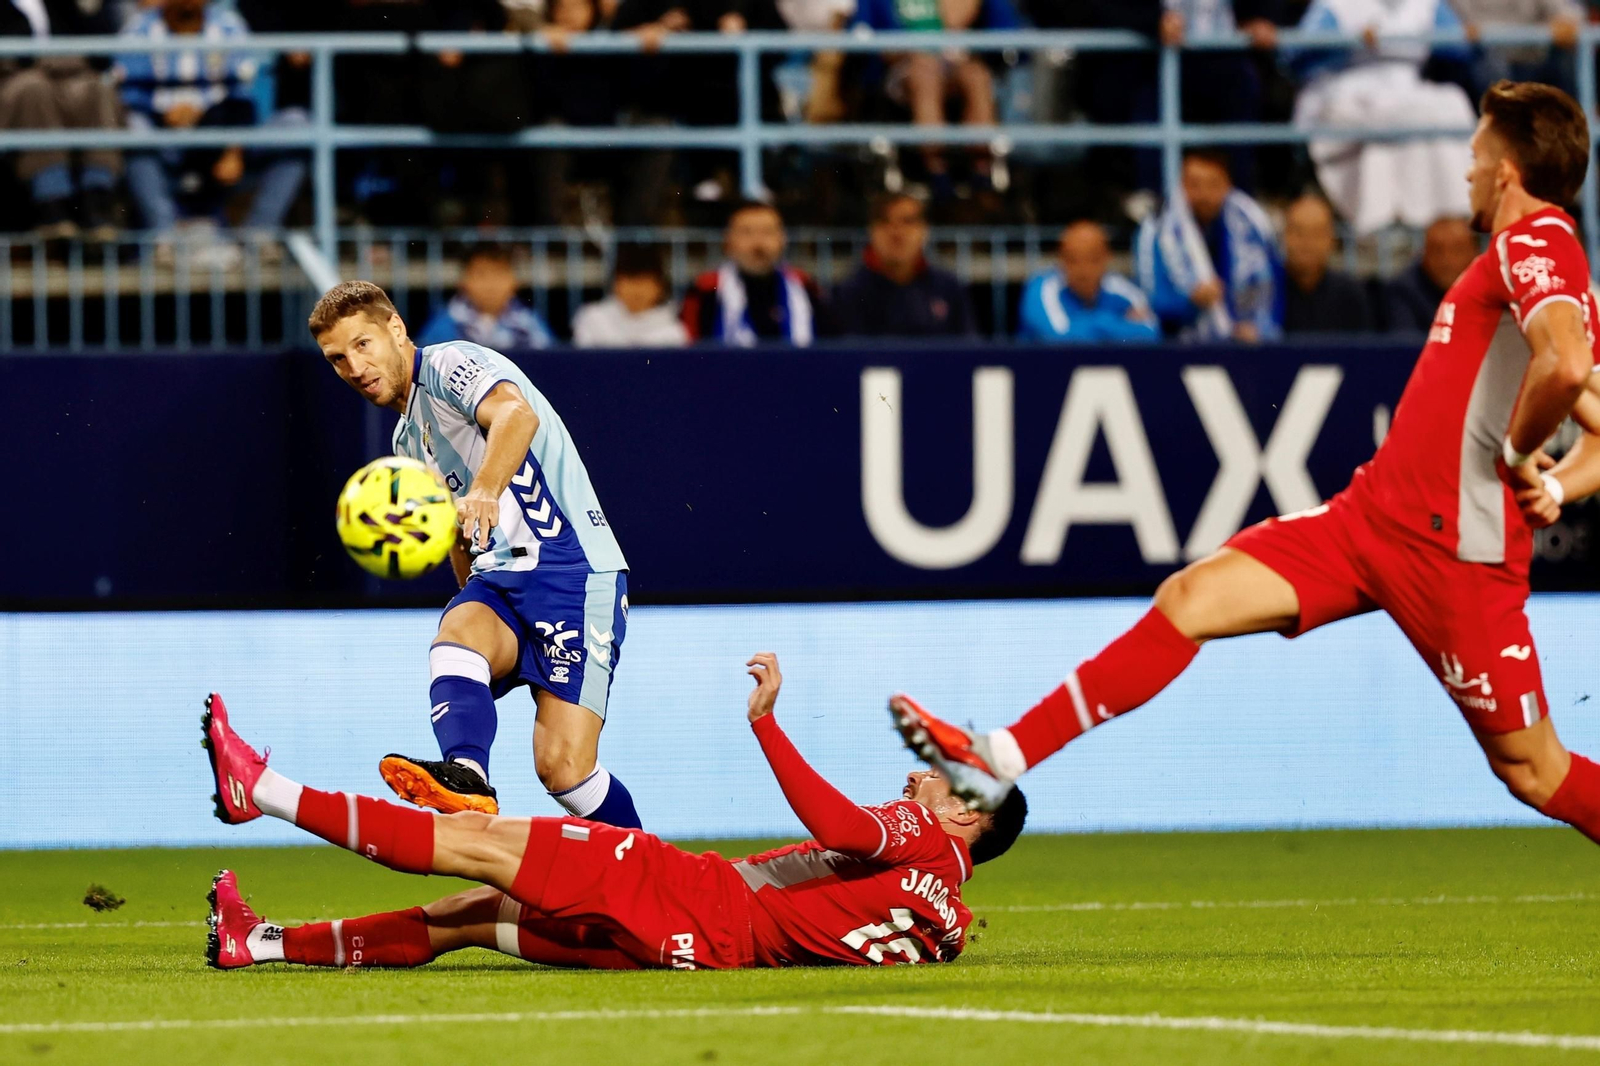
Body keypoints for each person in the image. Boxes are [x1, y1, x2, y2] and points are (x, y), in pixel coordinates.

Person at [893, 82, 1600, 853]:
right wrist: (1558, 482)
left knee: (1534, 773)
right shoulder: (1524, 263)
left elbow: (1564, 368)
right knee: (1190, 598)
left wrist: (1525, 456)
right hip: (1369, 522)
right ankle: (997, 758)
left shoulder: (1539, 242)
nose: (1466, 169)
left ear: (1505, 169)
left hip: (1453, 553)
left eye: (1475, 153)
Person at [200, 653, 1028, 971]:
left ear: (968, 816)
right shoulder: (946, 914)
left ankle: (262, 792)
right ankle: (260, 943)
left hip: (688, 897)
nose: (922, 777)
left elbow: (846, 830)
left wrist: (768, 725)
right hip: (696, 951)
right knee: (468, 919)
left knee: (475, 840)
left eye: (945, 777)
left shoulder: (920, 834)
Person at [308, 280, 639, 828]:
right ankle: (466, 777)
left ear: (396, 329)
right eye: (337, 359)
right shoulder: (406, 441)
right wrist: (463, 574)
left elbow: (516, 415)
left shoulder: (449, 363)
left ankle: (658, 885)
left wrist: (484, 487)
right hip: (499, 578)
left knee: (564, 770)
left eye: (362, 344)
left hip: (570, 567)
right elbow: (459, 536)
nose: (353, 367)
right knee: (458, 631)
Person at [116, 0, 307, 249]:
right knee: (133, 127)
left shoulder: (229, 27)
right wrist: (162, 111)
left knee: (297, 125)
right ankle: (165, 241)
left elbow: (244, 96)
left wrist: (234, 147)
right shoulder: (139, 29)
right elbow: (126, 93)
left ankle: (258, 237)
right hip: (164, 143)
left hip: (223, 138)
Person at [1286, 0, 1475, 235]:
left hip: (1408, 88)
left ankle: (1452, 214)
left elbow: (1459, 46)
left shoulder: (1426, 4)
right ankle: (1382, 222)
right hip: (1346, 88)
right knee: (1396, 115)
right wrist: (1348, 42)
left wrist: (1463, 37)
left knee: (1452, 101)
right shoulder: (1335, 5)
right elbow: (1292, 55)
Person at [0, 0, 123, 238]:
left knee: (96, 90)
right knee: (33, 89)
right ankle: (52, 202)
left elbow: (102, 52)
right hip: (11, 82)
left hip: (59, 77)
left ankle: (96, 196)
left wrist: (88, 7)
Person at [1135, 150, 1284, 343]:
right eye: (1194, 184)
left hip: (1247, 346)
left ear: (1227, 184)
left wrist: (1261, 329)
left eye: (1213, 184)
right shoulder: (1156, 229)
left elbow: (1275, 287)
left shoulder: (1253, 225)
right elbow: (1148, 304)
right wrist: (1191, 302)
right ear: (1182, 185)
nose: (1203, 195)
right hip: (1176, 346)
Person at [681, 200, 825, 346]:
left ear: (783, 239)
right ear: (728, 240)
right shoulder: (706, 291)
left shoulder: (806, 287)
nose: (758, 243)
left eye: (768, 232)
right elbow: (690, 350)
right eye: (746, 232)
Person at [832, 194, 975, 339]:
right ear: (872, 230)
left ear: (924, 229)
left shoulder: (948, 287)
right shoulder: (850, 292)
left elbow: (969, 349)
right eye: (885, 221)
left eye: (907, 221)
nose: (897, 232)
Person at [1018, 220, 1159, 343]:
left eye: (1092, 259)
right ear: (1060, 259)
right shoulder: (1042, 290)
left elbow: (1151, 332)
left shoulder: (1121, 290)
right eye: (1073, 259)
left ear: (1106, 257)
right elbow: (1057, 339)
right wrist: (1109, 323)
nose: (1083, 269)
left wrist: (1084, 326)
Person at [414, 245, 553, 352]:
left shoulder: (531, 325)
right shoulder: (442, 326)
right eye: (481, 275)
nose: (490, 285)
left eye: (499, 275)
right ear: (463, 281)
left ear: (515, 282)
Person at [1281, 193, 1374, 335]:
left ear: (1331, 239)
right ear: (1285, 235)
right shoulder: (1266, 293)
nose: (1306, 243)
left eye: (1316, 234)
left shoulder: (1350, 295)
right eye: (1298, 232)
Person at [572, 244, 689, 348]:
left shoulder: (673, 333)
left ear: (660, 287)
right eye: (630, 280)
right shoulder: (593, 319)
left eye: (644, 282)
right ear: (615, 284)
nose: (636, 290)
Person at [1384, 217, 1479, 334]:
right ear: (1423, 255)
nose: (1447, 260)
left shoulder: (1493, 289)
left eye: (1457, 250)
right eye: (1437, 250)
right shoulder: (1403, 291)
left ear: (1475, 253)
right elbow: (1405, 347)